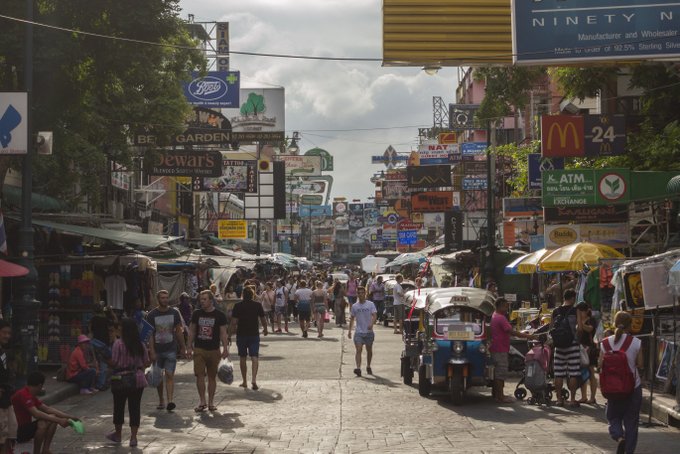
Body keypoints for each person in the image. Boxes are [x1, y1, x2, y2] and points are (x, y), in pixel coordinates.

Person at [600, 311, 643, 454]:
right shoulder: (636, 342)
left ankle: (619, 437)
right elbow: (641, 364)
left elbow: (600, 364)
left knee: (613, 417)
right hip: (632, 387)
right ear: (630, 325)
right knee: (631, 422)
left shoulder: (605, 343)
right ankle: (629, 451)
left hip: (612, 388)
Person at [106, 318, 150, 448]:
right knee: (135, 408)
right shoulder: (140, 344)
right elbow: (146, 362)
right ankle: (133, 437)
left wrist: (105, 359)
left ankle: (118, 435)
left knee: (118, 407)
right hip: (137, 379)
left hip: (120, 380)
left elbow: (114, 362)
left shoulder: (118, 344)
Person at [11, 371, 78, 454]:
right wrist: (59, 420)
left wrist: (69, 417)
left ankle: (45, 450)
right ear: (40, 385)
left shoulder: (30, 394)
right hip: (15, 431)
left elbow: (47, 409)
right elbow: (36, 414)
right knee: (42, 424)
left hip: (24, 427)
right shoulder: (23, 394)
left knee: (52, 419)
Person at [187, 289, 229, 413]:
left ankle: (211, 402)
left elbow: (223, 333)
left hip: (214, 350)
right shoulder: (196, 314)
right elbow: (192, 331)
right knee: (199, 375)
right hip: (199, 349)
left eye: (205, 299)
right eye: (201, 299)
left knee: (212, 377)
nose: (202, 302)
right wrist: (189, 346)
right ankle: (202, 401)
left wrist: (225, 348)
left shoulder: (219, 315)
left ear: (211, 301)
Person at [146, 290, 187, 412]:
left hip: (171, 349)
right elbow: (150, 335)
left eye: (166, 297)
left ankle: (170, 401)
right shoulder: (152, 315)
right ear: (158, 299)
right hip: (157, 350)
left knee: (169, 375)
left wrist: (183, 347)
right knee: (158, 377)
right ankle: (161, 400)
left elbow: (178, 330)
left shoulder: (174, 313)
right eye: (162, 298)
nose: (165, 299)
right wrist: (152, 351)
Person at [490, 298, 535, 403]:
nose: (507, 309)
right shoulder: (500, 318)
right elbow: (512, 332)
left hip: (498, 348)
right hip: (500, 349)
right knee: (500, 374)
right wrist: (529, 336)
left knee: (498, 373)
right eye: (506, 306)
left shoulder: (495, 316)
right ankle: (500, 397)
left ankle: (498, 395)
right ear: (500, 306)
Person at [229, 287, 268, 390]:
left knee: (243, 357)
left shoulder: (237, 306)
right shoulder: (257, 305)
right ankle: (254, 379)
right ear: (253, 295)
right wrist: (265, 329)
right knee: (254, 356)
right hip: (254, 334)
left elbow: (233, 323)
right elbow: (263, 319)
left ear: (242, 295)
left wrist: (228, 335)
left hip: (241, 334)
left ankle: (245, 381)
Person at [551, 289, 580, 407]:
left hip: (558, 345)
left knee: (558, 373)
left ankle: (558, 399)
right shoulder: (575, 310)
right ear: (572, 298)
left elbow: (551, 328)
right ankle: (572, 399)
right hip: (572, 344)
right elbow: (580, 327)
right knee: (573, 373)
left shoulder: (555, 311)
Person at [347, 287, 377, 377]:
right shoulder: (355, 306)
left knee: (369, 350)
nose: (360, 294)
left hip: (368, 332)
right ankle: (358, 368)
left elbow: (374, 315)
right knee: (358, 350)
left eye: (362, 293)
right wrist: (349, 331)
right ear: (357, 294)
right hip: (359, 332)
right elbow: (352, 319)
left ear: (365, 293)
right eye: (359, 293)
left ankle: (368, 366)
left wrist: (371, 323)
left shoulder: (370, 304)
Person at [89, 302, 115, 391]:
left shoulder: (93, 319)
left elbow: (90, 331)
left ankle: (94, 384)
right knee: (104, 364)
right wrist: (111, 312)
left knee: (95, 363)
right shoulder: (105, 319)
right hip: (104, 345)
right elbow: (114, 322)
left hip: (95, 343)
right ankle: (101, 384)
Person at [576, 302, 598, 404]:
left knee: (591, 372)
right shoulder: (578, 320)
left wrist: (580, 323)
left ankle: (592, 397)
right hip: (580, 349)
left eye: (580, 312)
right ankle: (583, 396)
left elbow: (590, 329)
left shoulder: (591, 320)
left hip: (589, 349)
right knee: (582, 372)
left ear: (584, 311)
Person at [0, 321, 16, 454]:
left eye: (8, 333)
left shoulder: (3, 351)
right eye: (4, 332)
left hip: (6, 397)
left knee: (9, 434)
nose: (7, 336)